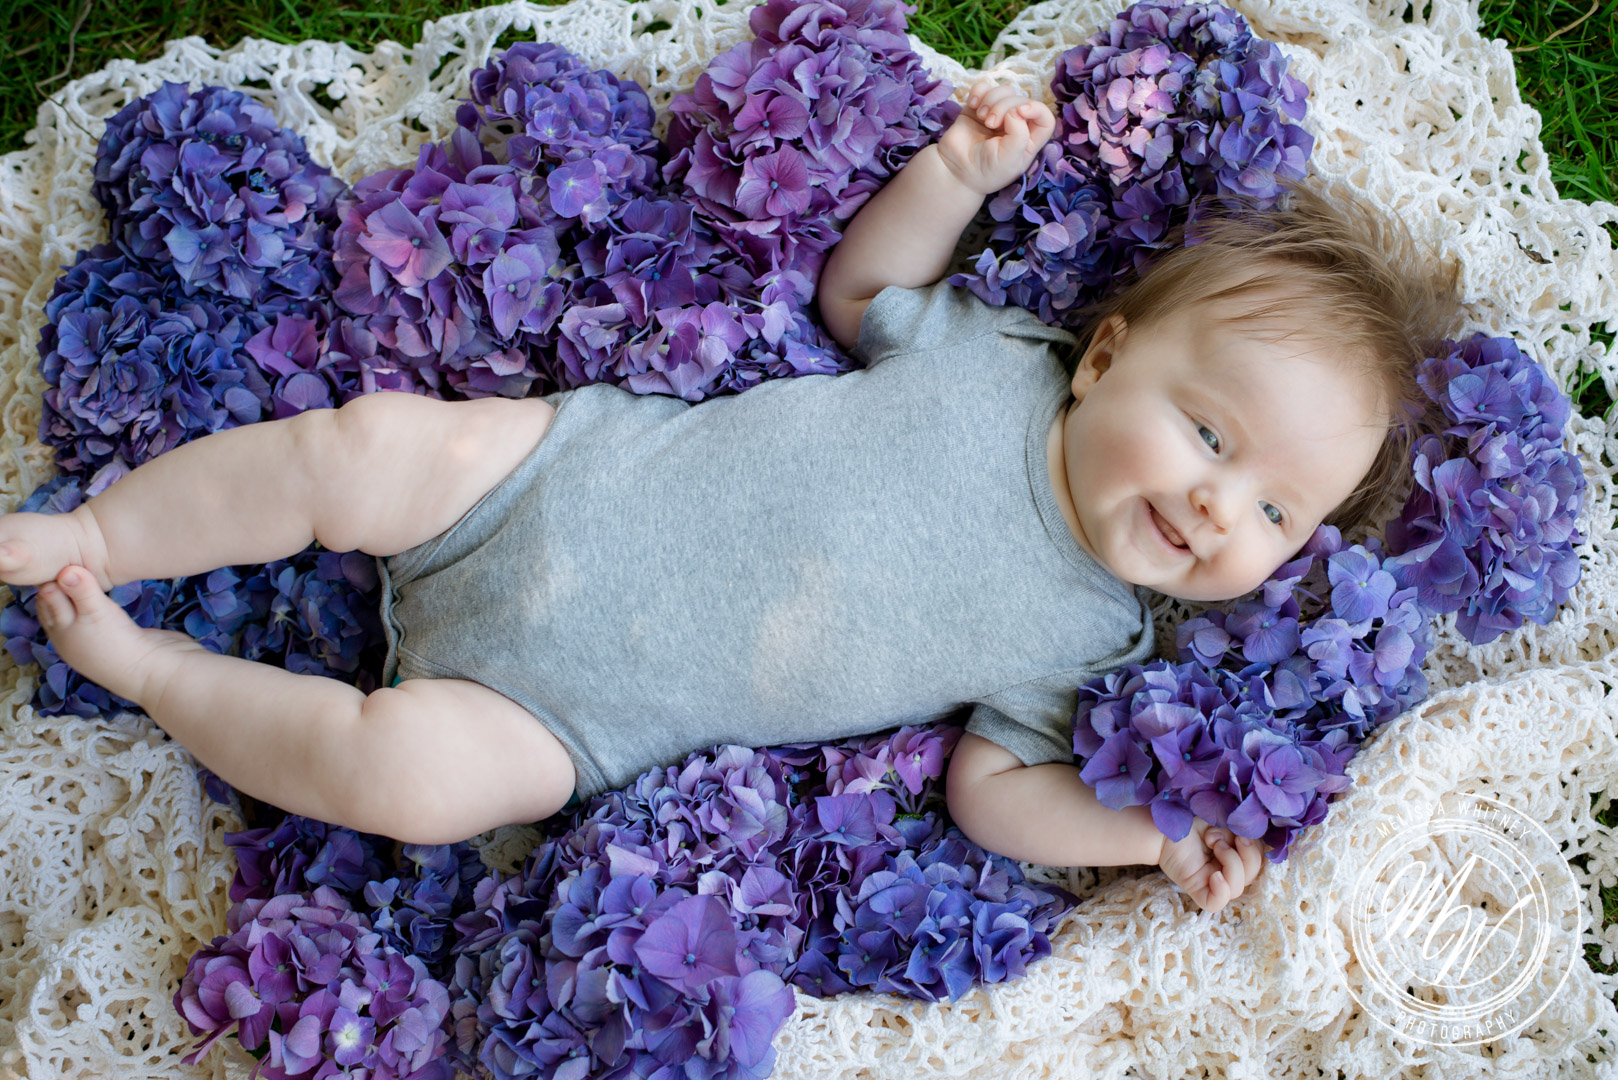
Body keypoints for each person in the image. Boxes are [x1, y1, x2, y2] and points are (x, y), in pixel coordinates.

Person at [0, 79, 1461, 915]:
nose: (1218, 510)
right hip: (548, 485)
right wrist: (953, 174)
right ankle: (100, 532)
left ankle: (155, 671)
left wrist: (1147, 834)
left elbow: (993, 797)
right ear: (1103, 359)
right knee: (362, 448)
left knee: (406, 789)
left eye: (1278, 515)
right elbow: (861, 290)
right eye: (1208, 435)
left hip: (568, 716)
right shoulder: (996, 361)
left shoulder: (1095, 640)